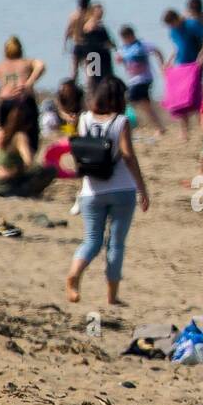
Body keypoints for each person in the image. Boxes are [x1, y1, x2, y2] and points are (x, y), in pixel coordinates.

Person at [65, 76, 150, 305]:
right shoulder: (121, 122)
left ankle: (74, 274)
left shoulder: (83, 119)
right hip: (122, 189)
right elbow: (128, 156)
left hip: (91, 190)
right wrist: (142, 189)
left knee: (92, 241)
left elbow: (74, 147)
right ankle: (112, 296)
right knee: (116, 243)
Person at [163, 8, 203, 140]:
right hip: (180, 66)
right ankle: (184, 131)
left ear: (176, 19)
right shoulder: (173, 31)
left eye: (172, 24)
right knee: (179, 100)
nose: (171, 27)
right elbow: (177, 48)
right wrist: (168, 61)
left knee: (195, 97)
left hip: (194, 65)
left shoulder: (191, 25)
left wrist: (201, 56)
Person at [117, 25, 167, 135]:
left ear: (132, 35)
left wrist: (162, 65)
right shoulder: (124, 48)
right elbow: (120, 59)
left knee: (128, 99)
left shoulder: (141, 45)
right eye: (124, 38)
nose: (125, 40)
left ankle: (128, 124)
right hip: (132, 80)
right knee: (146, 106)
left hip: (144, 79)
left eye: (127, 37)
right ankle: (160, 127)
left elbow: (157, 50)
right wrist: (120, 60)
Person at [75, 2, 116, 84]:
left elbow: (107, 40)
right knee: (95, 81)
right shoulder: (90, 25)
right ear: (93, 12)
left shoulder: (100, 25)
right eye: (99, 11)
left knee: (107, 80)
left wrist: (111, 45)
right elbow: (89, 42)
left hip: (103, 56)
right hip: (94, 57)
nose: (101, 13)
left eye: (102, 11)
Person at [63, 0, 91, 78]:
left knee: (74, 71)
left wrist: (65, 44)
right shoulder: (90, 16)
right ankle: (89, 88)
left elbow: (68, 32)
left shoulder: (73, 16)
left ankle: (73, 86)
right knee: (90, 71)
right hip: (88, 46)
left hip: (77, 44)